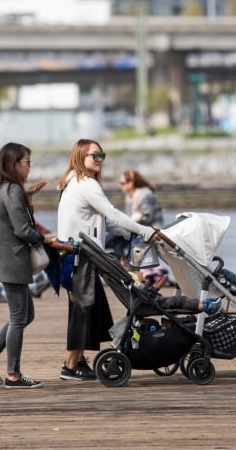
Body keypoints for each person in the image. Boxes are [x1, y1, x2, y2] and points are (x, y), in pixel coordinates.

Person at [55, 138, 158, 381]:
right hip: (82, 256)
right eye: (94, 156)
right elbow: (112, 213)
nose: (100, 160)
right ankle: (70, 366)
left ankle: (78, 361)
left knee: (88, 308)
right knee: (82, 310)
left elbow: (106, 221)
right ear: (81, 157)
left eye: (102, 155)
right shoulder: (86, 184)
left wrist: (130, 231)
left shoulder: (72, 182)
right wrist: (144, 231)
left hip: (78, 255)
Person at [0, 142, 51, 389]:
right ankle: (13, 375)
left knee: (26, 314)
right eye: (27, 161)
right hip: (13, 259)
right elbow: (22, 229)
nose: (30, 166)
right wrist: (44, 239)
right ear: (14, 164)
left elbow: (14, 221)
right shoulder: (12, 191)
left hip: (7, 259)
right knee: (19, 317)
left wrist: (28, 197)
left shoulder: (4, 189)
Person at [0, 197, 52, 298]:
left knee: (22, 237)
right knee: (21, 240)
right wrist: (41, 234)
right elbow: (20, 224)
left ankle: (34, 280)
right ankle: (34, 281)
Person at [117, 169, 169, 289]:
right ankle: (127, 271)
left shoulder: (146, 194)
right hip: (136, 228)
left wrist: (130, 224)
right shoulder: (129, 196)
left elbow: (147, 216)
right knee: (114, 241)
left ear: (132, 183)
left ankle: (130, 272)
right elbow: (130, 216)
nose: (121, 186)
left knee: (115, 239)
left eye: (123, 183)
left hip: (152, 230)